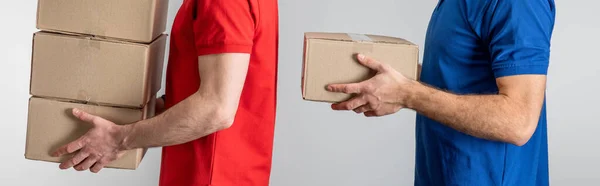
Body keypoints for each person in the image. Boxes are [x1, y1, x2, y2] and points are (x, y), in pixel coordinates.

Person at [327, 0, 555, 185]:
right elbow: (455, 78)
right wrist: (397, 82)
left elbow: (518, 121)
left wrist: (407, 93)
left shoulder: (519, 3)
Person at [52, 0, 279, 185]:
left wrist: (117, 139)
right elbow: (210, 90)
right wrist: (127, 119)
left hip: (210, 176)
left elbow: (216, 109)